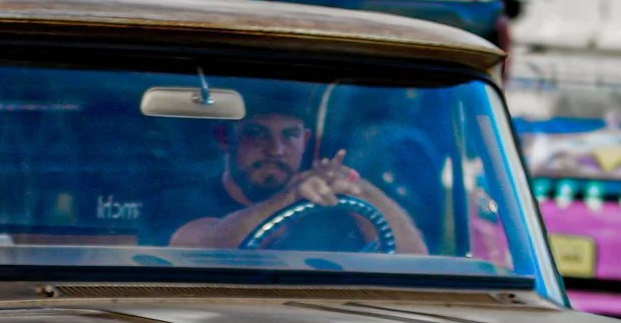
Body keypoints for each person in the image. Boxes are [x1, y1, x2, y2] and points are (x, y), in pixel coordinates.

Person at [152, 99, 424, 255]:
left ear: (305, 140)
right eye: (257, 134)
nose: (275, 150)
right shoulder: (180, 201)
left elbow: (415, 261)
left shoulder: (332, 206)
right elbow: (203, 249)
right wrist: (289, 199)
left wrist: (355, 187)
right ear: (226, 139)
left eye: (290, 135)